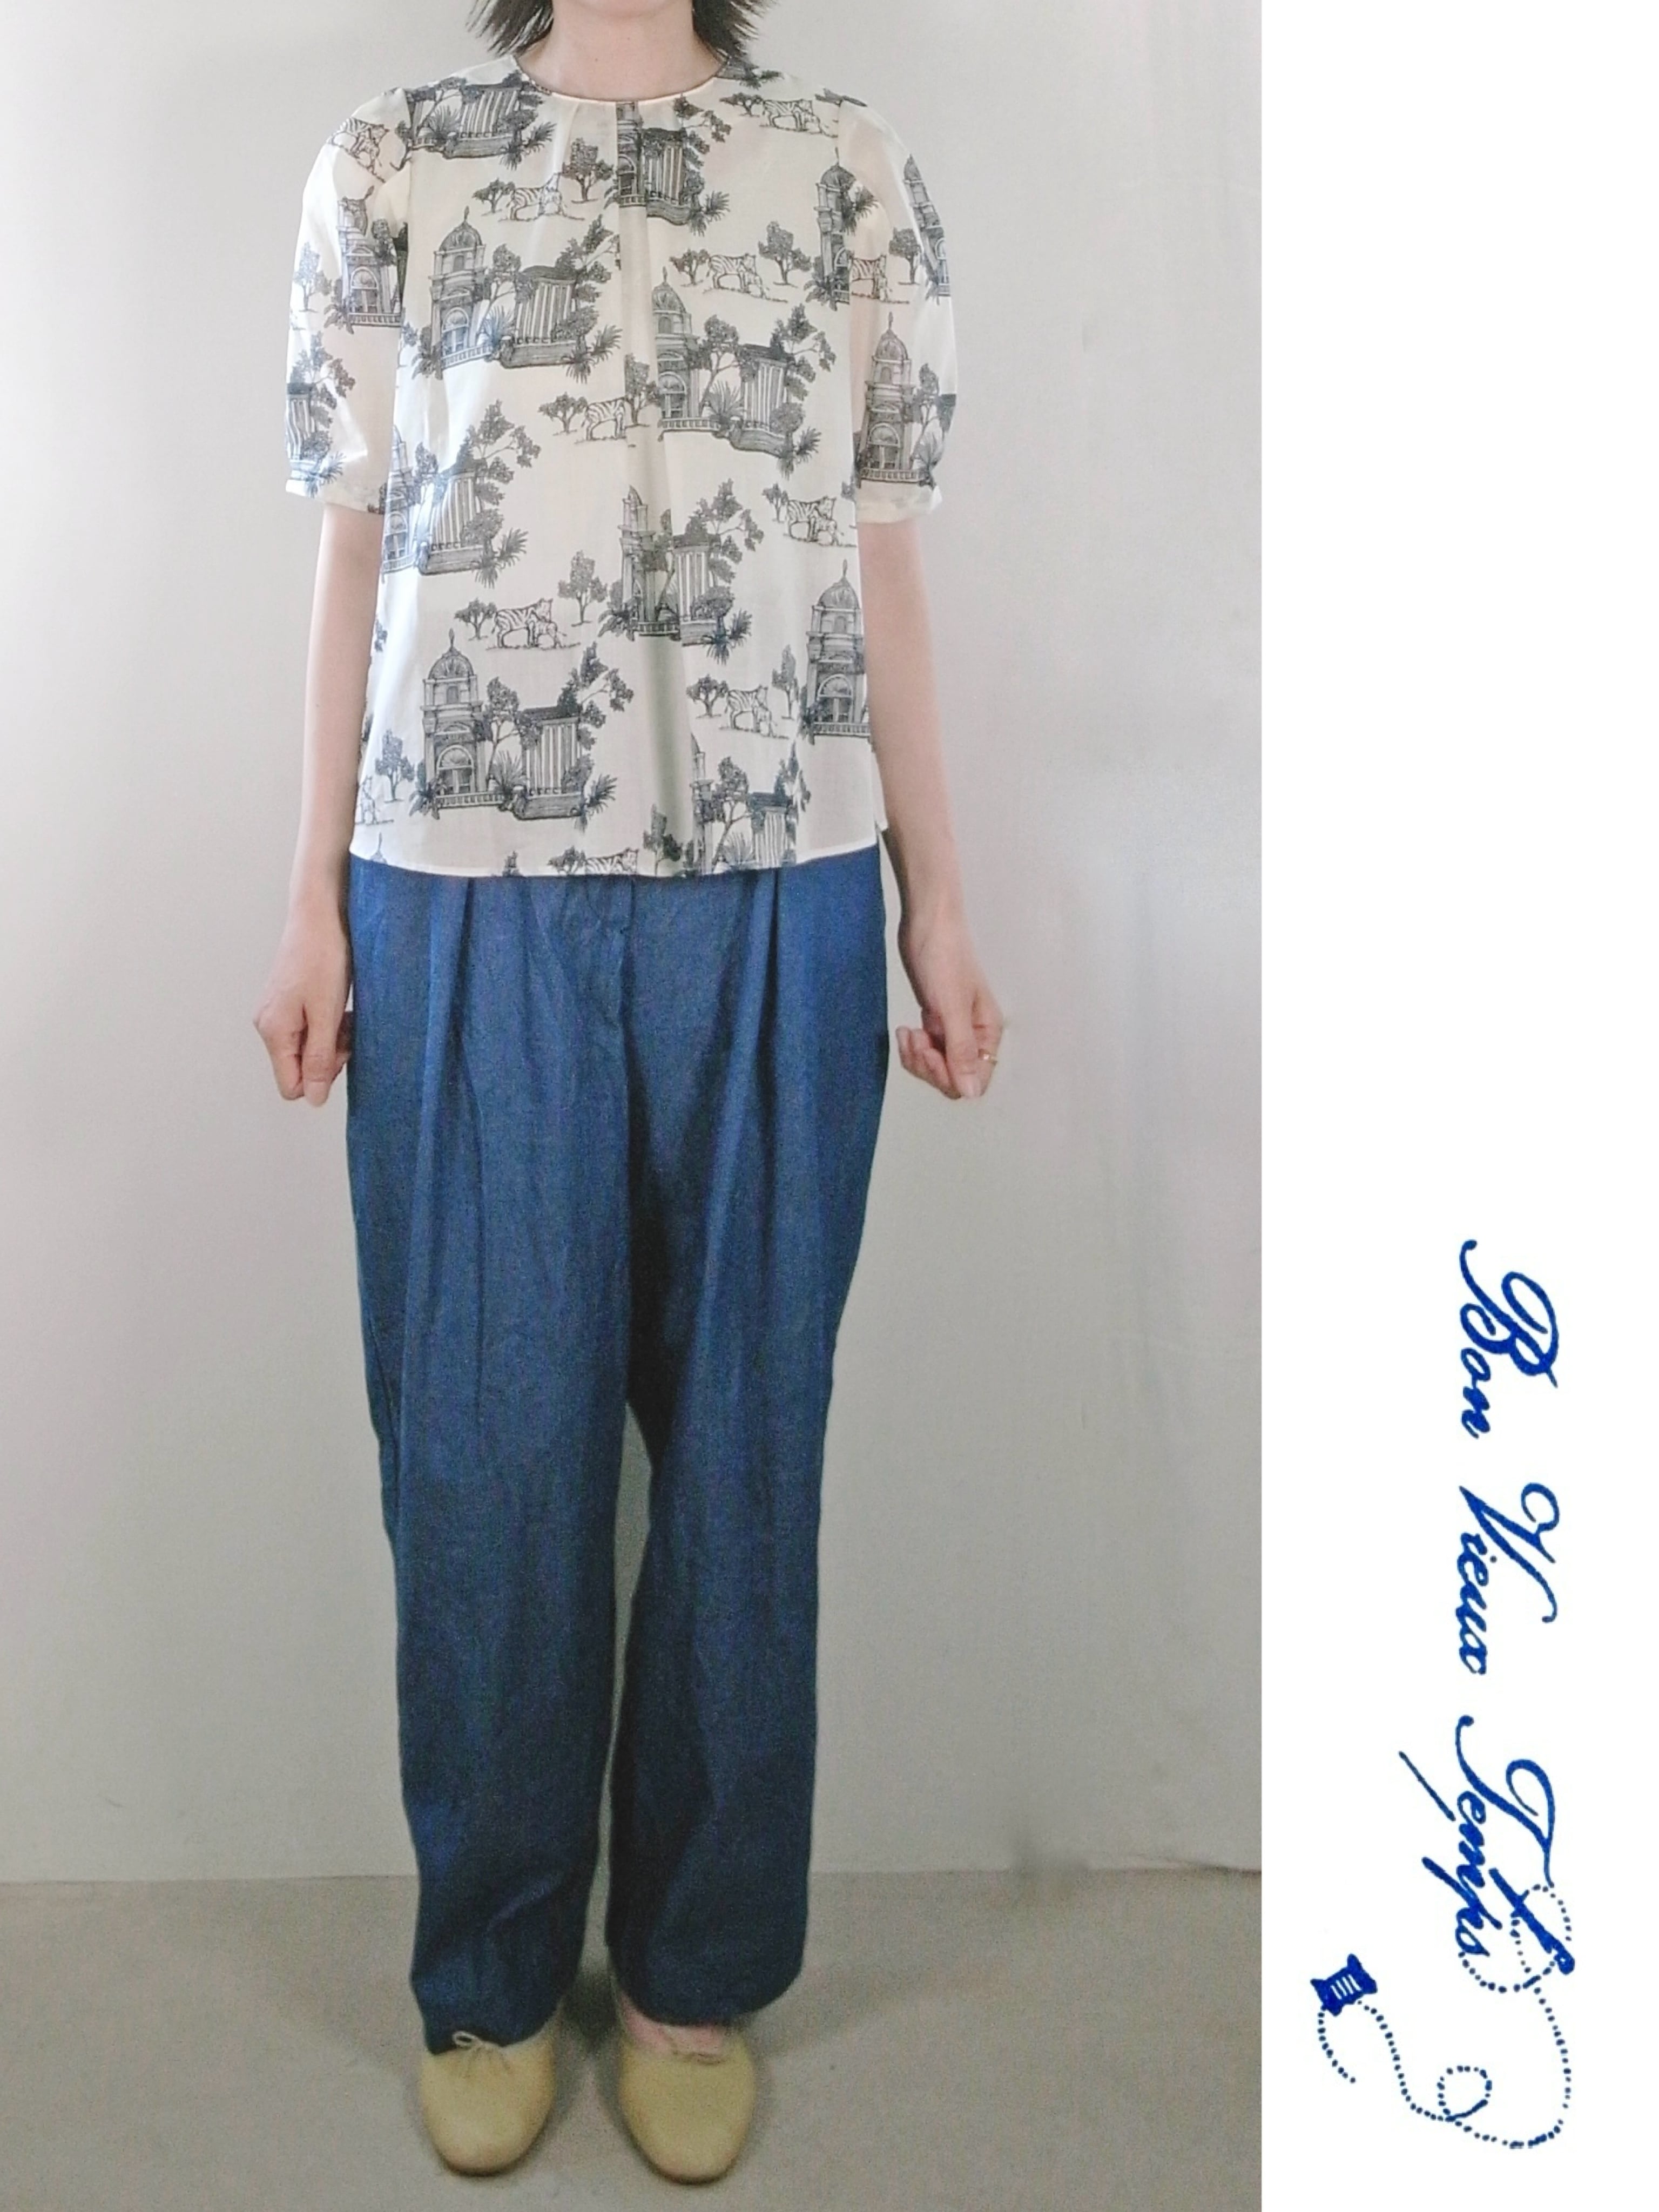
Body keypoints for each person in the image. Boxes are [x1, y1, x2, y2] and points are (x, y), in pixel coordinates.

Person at [255, 0, 1002, 2182]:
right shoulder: (391, 163)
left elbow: (880, 555)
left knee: (748, 1447)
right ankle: (491, 1972)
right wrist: (307, 902)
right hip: (457, 892)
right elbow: (355, 547)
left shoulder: (845, 166)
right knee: (487, 1455)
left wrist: (940, 902)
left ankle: (692, 1973)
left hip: (781, 891)